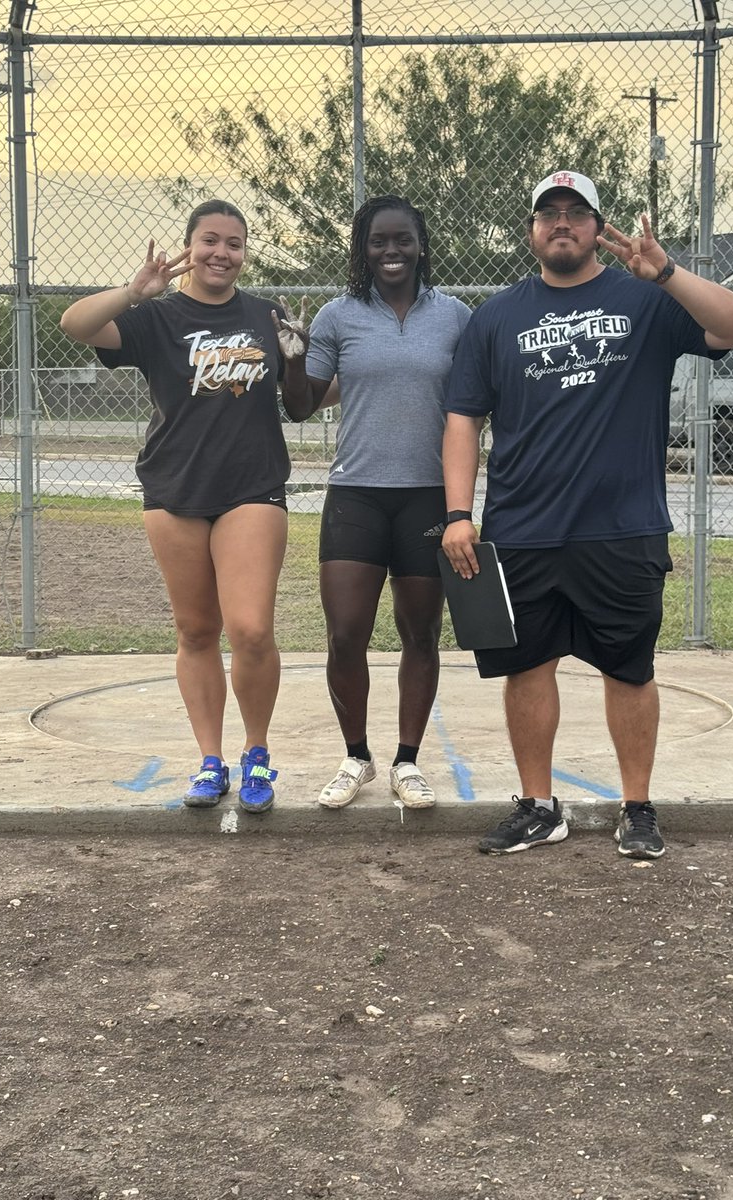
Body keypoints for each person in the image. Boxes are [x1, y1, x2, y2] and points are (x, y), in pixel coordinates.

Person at [441, 169, 733, 859]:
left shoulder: (645, 299)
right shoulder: (495, 317)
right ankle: (538, 804)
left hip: (624, 525)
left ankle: (636, 806)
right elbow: (464, 418)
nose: (562, 222)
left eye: (575, 212)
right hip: (523, 527)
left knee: (630, 670)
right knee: (527, 671)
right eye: (548, 213)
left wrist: (667, 271)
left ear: (595, 227)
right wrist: (457, 513)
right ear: (531, 231)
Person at [61, 199, 306, 814]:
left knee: (250, 629)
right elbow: (75, 324)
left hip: (251, 487)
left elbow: (304, 395)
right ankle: (209, 761)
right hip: (174, 489)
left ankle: (256, 755)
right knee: (196, 630)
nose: (222, 253)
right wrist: (132, 291)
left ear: (245, 252)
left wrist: (329, 363)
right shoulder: (158, 316)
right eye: (210, 241)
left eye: (234, 243)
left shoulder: (265, 315)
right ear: (188, 247)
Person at [280, 195, 472, 810]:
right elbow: (302, 404)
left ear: (421, 245)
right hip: (357, 494)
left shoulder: (456, 317)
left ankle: (408, 762)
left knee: (420, 635)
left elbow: (474, 405)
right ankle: (357, 756)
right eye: (378, 242)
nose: (391, 252)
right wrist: (291, 356)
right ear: (362, 250)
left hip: (428, 496)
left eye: (402, 240)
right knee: (345, 635)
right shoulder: (338, 316)